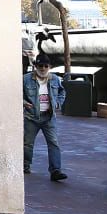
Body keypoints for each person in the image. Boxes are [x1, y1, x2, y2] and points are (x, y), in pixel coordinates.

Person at [23, 53, 68, 181]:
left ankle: (55, 171)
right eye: (40, 66)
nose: (42, 68)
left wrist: (59, 102)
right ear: (36, 66)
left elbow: (62, 91)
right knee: (27, 143)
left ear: (50, 66)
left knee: (53, 143)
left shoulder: (54, 79)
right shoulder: (26, 79)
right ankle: (25, 166)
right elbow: (17, 93)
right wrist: (23, 102)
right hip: (31, 117)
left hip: (49, 117)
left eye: (45, 66)